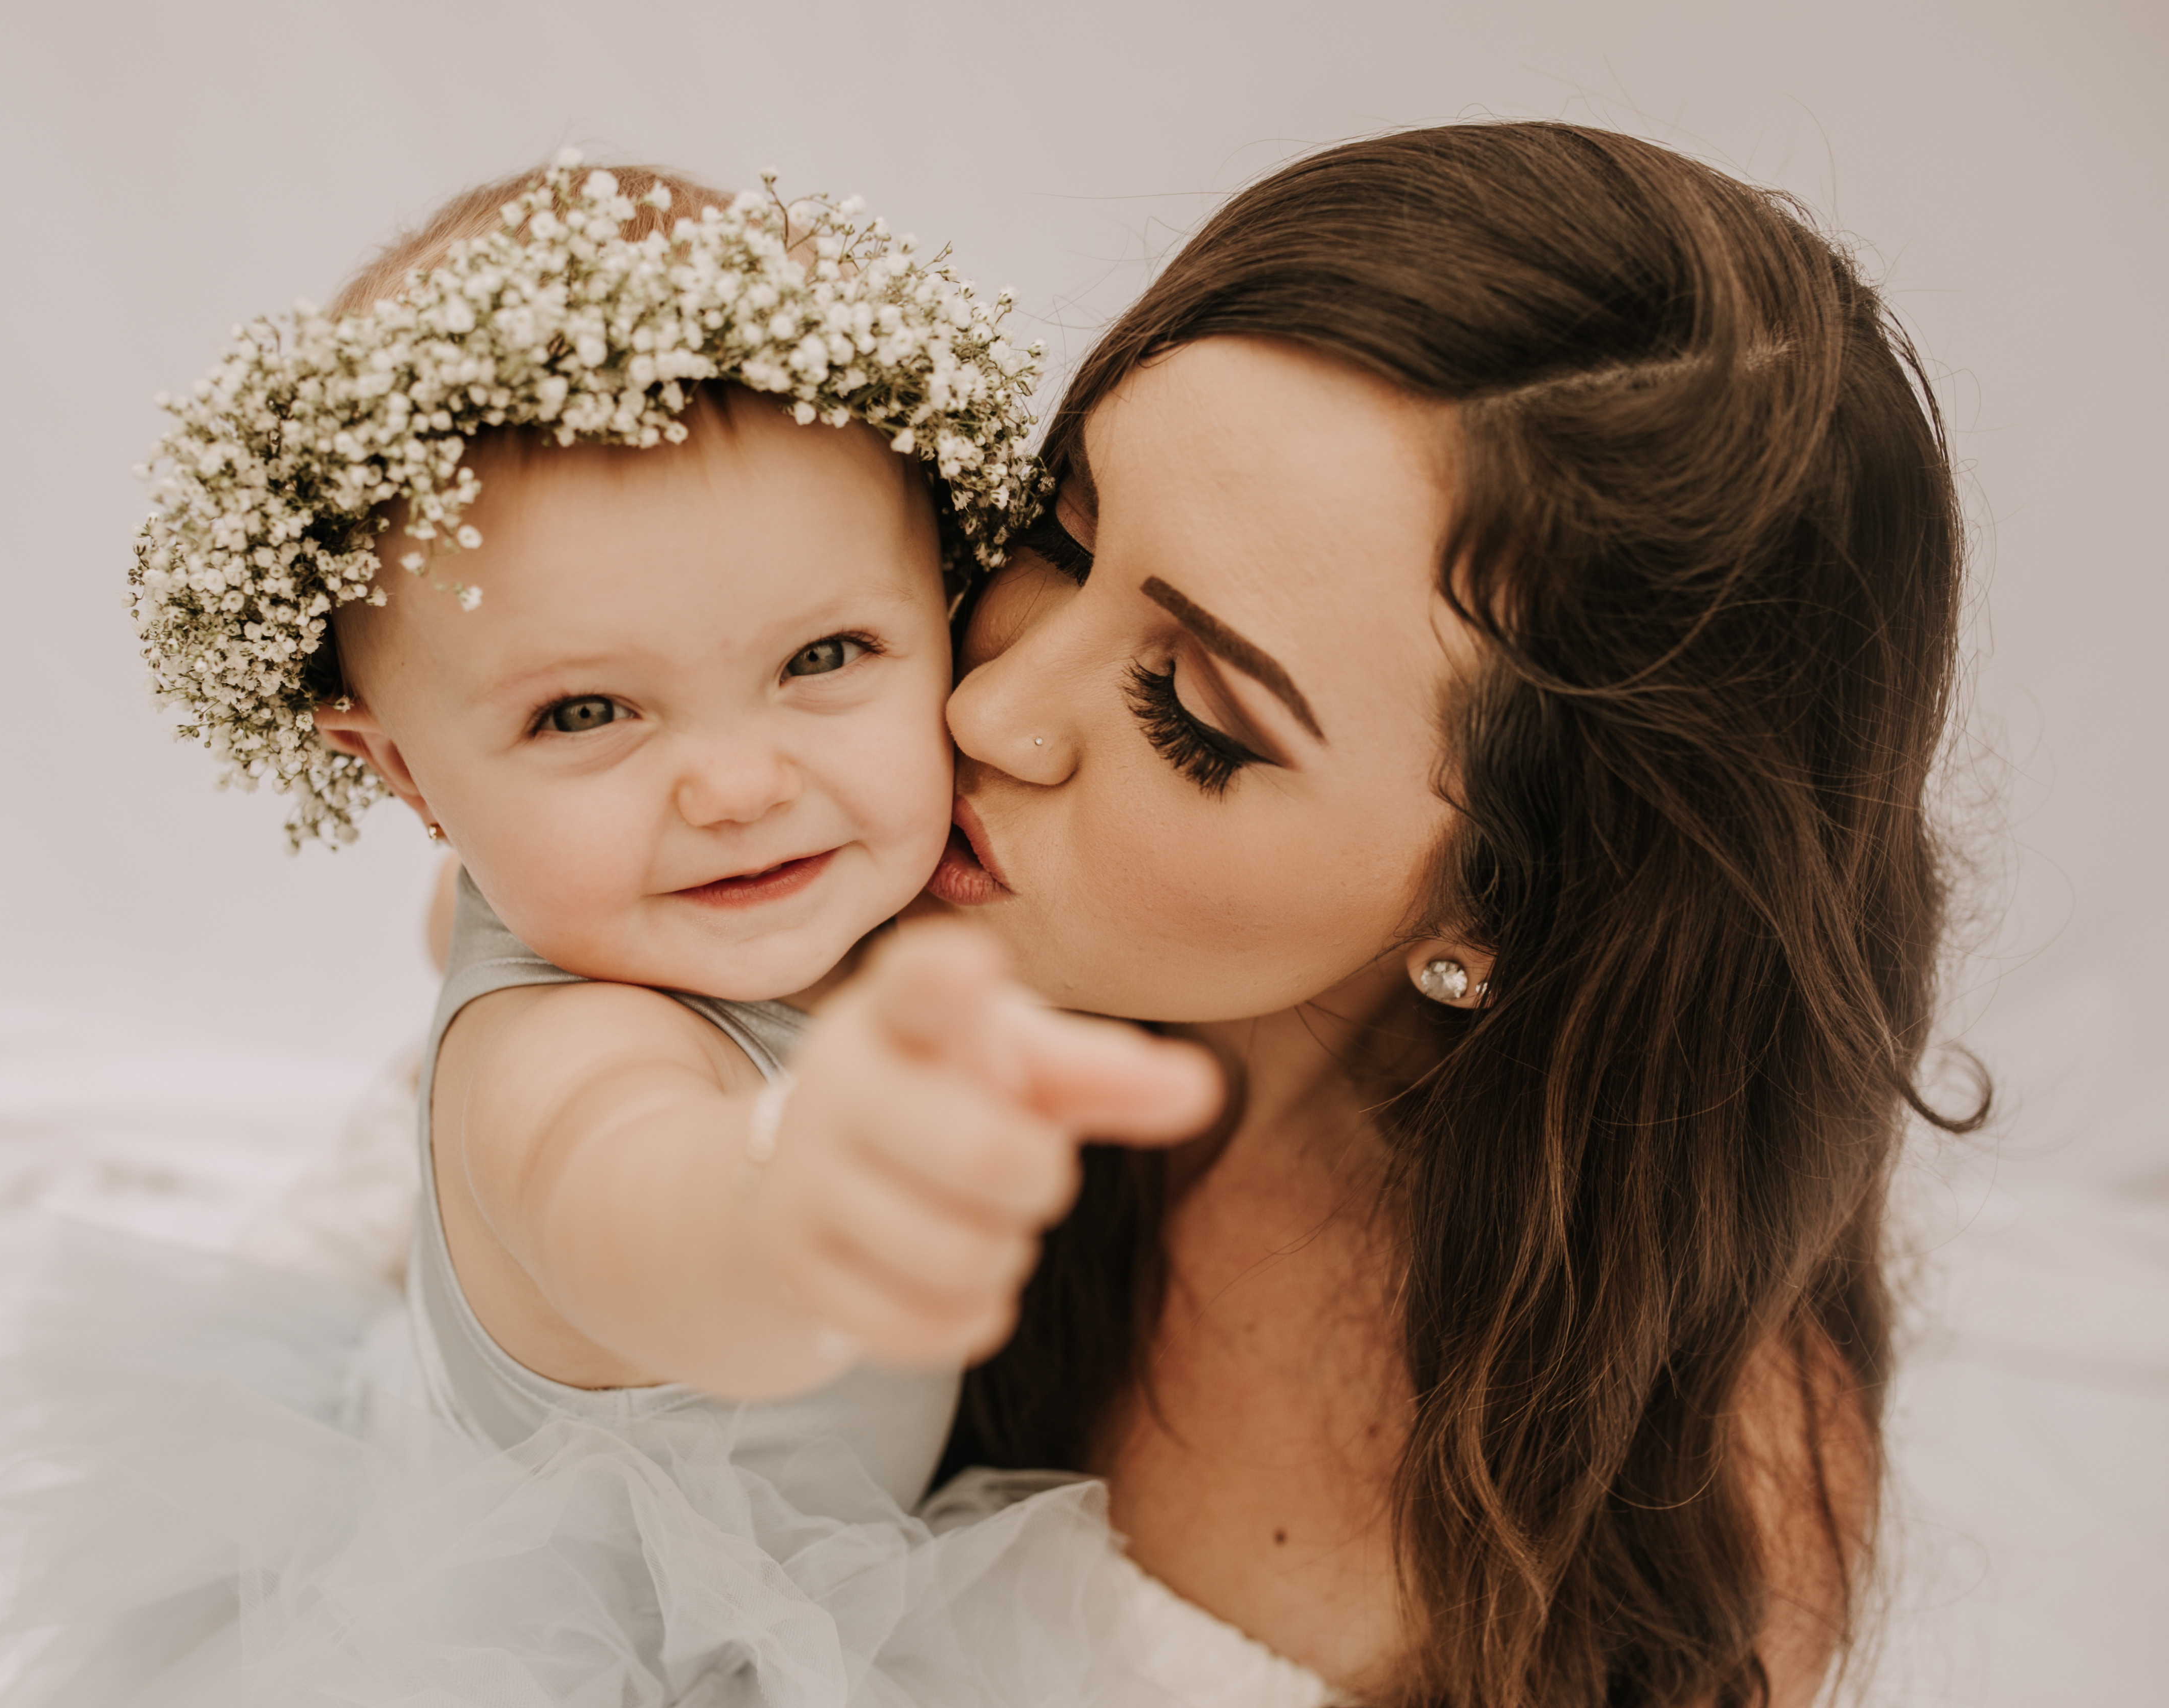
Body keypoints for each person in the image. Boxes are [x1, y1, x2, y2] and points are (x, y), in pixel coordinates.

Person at [0, 158, 1218, 1707]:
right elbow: (637, 1200)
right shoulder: (568, 1061)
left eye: (827, 653)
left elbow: (450, 927)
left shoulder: (581, 889)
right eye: (588, 713)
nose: (743, 785)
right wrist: (790, 1208)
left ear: (940, 606)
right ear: (404, 771)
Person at [781, 119, 1984, 1706]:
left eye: (1196, 711)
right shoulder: (810, 858)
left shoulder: (1664, 1523)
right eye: (1062, 536)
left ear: (1508, 901)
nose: (997, 708)